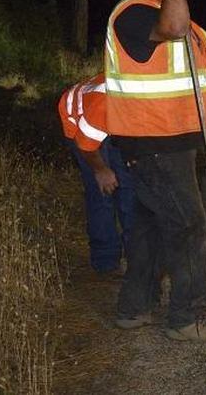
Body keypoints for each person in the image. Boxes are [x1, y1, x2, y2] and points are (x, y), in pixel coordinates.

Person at [103, 0, 206, 343]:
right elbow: (175, 27)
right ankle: (187, 318)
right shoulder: (135, 13)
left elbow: (184, 58)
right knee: (188, 228)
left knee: (149, 227)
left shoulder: (152, 12)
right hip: (156, 142)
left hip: (166, 141)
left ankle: (134, 308)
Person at [58, 73, 135, 277]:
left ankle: (136, 259)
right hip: (79, 123)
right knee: (102, 192)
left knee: (128, 188)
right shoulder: (104, 105)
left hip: (112, 124)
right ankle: (105, 261)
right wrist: (101, 170)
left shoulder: (140, 101)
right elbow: (86, 144)